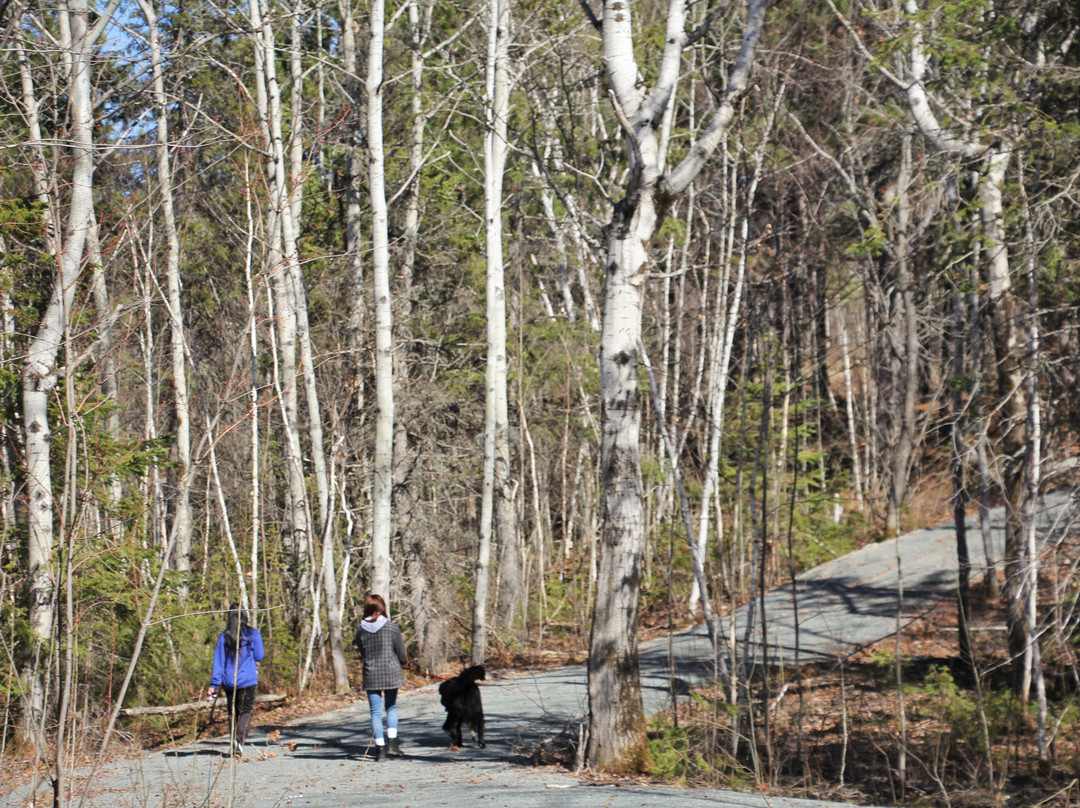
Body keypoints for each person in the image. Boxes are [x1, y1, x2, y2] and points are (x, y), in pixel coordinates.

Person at [207, 605, 265, 757]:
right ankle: (239, 740)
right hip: (248, 680)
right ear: (244, 616)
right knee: (246, 710)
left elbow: (218, 662)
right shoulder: (253, 634)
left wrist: (214, 684)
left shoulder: (224, 637)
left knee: (233, 711)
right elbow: (259, 655)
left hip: (228, 681)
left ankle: (235, 740)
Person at [354, 593, 406, 761]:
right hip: (391, 670)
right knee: (391, 707)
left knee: (375, 712)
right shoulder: (392, 627)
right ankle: (393, 744)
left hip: (371, 672)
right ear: (382, 607)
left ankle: (380, 750)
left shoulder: (360, 630)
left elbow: (362, 652)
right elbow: (400, 652)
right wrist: (403, 662)